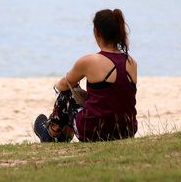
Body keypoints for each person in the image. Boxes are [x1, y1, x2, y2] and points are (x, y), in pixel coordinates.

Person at [34, 9, 138, 142]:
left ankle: (49, 135)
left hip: (92, 132)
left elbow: (64, 85)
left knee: (67, 94)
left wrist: (57, 86)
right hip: (126, 131)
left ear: (96, 32)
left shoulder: (89, 61)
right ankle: (62, 135)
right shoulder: (132, 62)